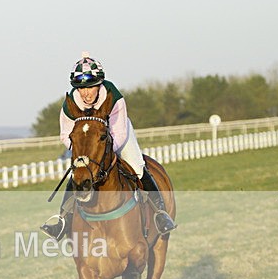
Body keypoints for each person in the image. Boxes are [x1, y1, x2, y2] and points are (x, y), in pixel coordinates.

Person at [40, 53, 176, 240]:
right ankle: (62, 220)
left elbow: (118, 132)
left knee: (137, 166)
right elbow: (65, 135)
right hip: (88, 141)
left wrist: (103, 152)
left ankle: (161, 213)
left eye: (90, 87)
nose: (85, 93)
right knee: (77, 174)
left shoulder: (113, 97)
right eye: (80, 89)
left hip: (118, 134)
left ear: (99, 85)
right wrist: (84, 150)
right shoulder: (69, 105)